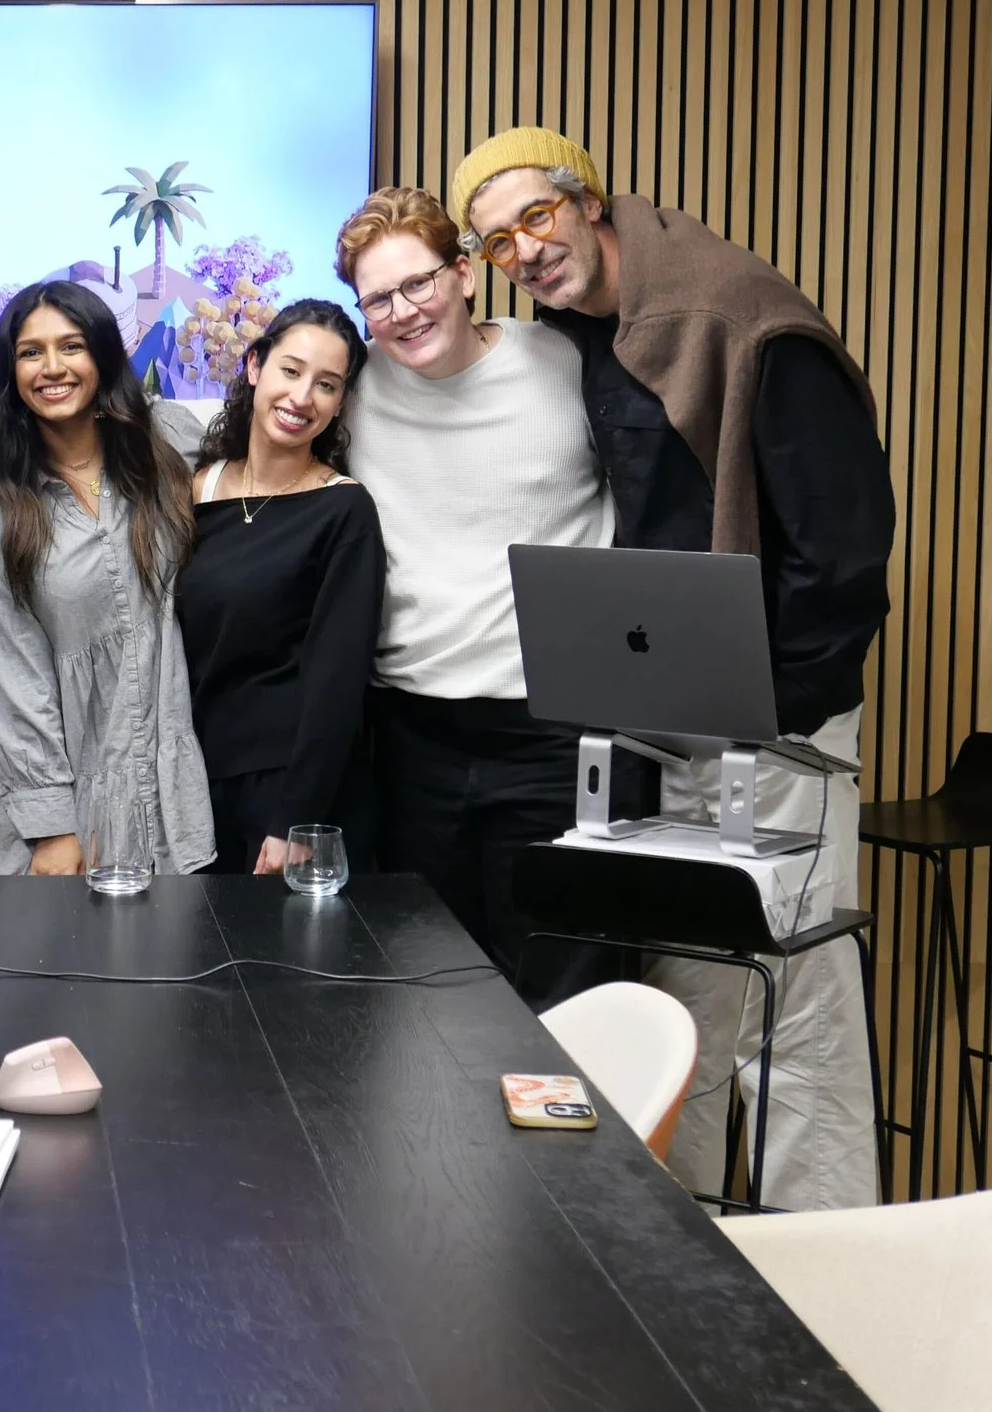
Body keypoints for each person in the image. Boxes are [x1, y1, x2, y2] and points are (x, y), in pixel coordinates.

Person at [449, 127, 896, 1211]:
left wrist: (767, 709)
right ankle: (683, 1254)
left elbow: (844, 549)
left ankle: (824, 1259)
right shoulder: (591, 329)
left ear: (588, 201)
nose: (525, 249)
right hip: (674, 720)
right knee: (686, 998)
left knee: (797, 1001)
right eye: (499, 239)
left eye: (537, 218)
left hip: (777, 721)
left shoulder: (742, 320)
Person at [335, 187, 619, 1004]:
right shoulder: (352, 393)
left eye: (418, 283)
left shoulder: (561, 363)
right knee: (430, 999)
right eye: (379, 299)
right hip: (412, 734)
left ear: (464, 273)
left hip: (556, 734)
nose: (403, 311)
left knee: (568, 996)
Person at [0, 279, 212, 876]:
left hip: (160, 775)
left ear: (102, 354)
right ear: (10, 371)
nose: (51, 367)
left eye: (71, 346)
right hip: (50, 793)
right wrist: (53, 825)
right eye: (29, 352)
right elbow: (8, 671)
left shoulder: (170, 441)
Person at [175, 301, 383, 875]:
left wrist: (296, 819)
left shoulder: (344, 509)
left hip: (289, 794)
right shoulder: (198, 489)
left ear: (340, 403)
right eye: (290, 371)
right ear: (254, 367)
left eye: (326, 385)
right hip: (194, 783)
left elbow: (337, 678)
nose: (301, 398)